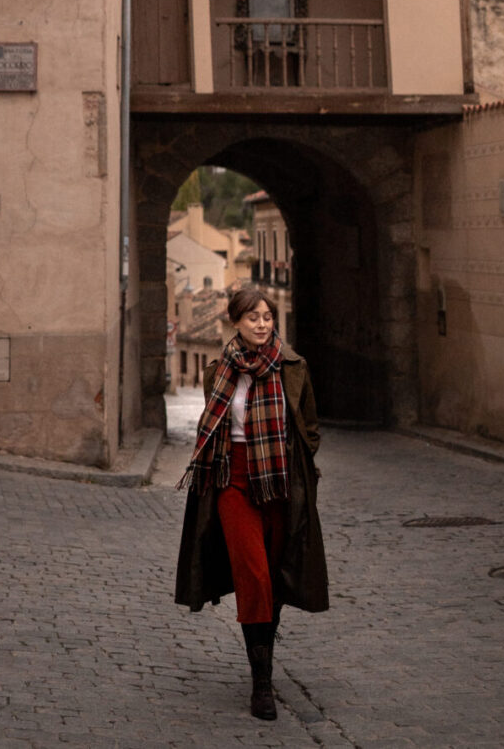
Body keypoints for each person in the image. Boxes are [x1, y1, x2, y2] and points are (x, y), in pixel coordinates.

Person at [175, 285, 328, 721]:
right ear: (235, 322)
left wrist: (297, 463)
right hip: (234, 481)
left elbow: (310, 427)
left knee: (275, 577)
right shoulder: (219, 371)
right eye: (253, 318)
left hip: (281, 482)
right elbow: (216, 426)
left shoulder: (293, 367)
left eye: (267, 317)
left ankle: (263, 659)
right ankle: (261, 682)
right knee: (254, 575)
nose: (262, 324)